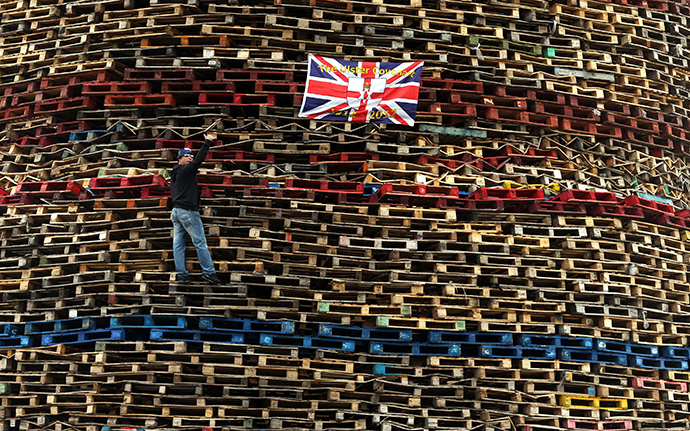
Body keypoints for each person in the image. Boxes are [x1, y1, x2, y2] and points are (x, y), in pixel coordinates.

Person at [170, 133, 222, 284]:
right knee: (200, 242)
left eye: (191, 156)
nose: (190, 158)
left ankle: (181, 274)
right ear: (179, 158)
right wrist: (207, 142)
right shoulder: (185, 170)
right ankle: (208, 272)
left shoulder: (175, 174)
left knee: (178, 245)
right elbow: (199, 160)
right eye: (187, 156)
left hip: (176, 212)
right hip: (187, 212)